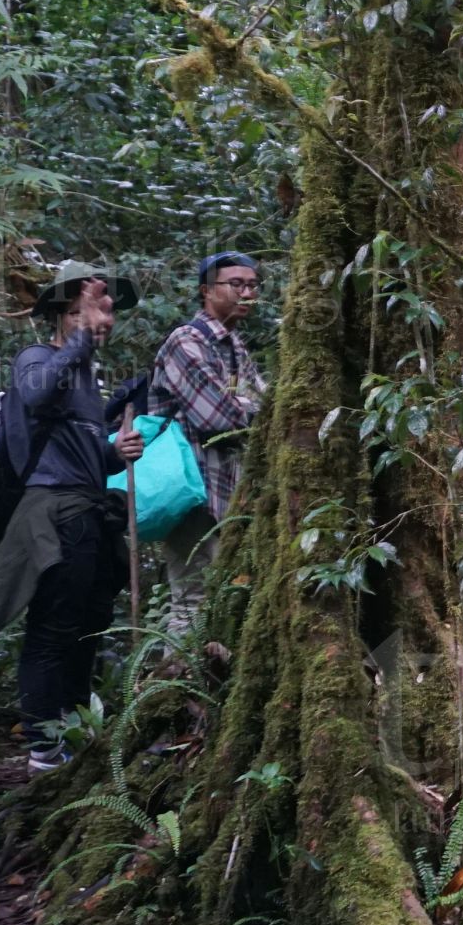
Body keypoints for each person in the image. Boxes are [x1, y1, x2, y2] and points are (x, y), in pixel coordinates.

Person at [0, 262, 143, 772]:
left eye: (104, 311)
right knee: (52, 627)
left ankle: (71, 726)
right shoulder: (38, 358)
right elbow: (36, 393)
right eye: (81, 311)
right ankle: (44, 749)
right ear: (57, 317)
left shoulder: (85, 377)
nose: (98, 320)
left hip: (85, 511)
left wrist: (116, 451)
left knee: (86, 624)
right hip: (54, 514)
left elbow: (82, 457)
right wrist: (80, 340)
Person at [148, 251, 264, 639]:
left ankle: (204, 692)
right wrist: (248, 408)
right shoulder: (187, 340)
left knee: (227, 599)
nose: (246, 293)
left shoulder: (235, 347)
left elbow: (270, 412)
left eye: (252, 286)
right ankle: (176, 693)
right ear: (206, 291)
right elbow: (219, 419)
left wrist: (245, 407)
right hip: (192, 492)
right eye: (236, 285)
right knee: (194, 598)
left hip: (227, 496)